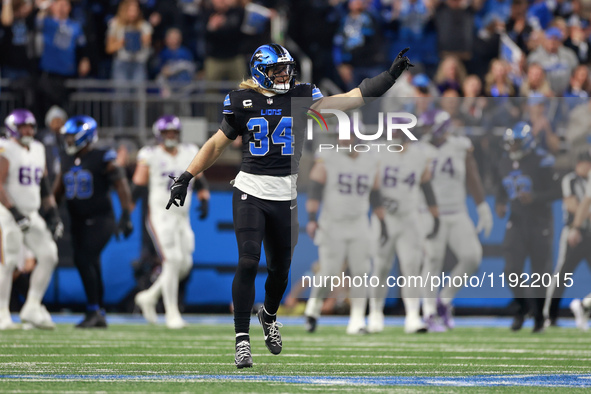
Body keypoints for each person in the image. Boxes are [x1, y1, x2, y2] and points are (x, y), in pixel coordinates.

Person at [166, 43, 413, 368]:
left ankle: (268, 315)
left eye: (287, 69)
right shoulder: (242, 101)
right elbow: (216, 144)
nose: (285, 75)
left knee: (280, 271)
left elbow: (351, 99)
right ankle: (242, 340)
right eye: (277, 70)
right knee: (248, 260)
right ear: (260, 71)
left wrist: (389, 77)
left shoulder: (301, 96)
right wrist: (187, 176)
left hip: (285, 195)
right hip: (250, 190)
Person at [53, 115, 134, 328]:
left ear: (84, 137)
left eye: (71, 137)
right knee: (91, 262)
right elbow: (58, 191)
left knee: (83, 259)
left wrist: (126, 214)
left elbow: (121, 184)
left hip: (101, 220)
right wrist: (50, 213)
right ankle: (98, 311)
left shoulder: (103, 156)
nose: (68, 141)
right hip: (77, 220)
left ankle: (94, 309)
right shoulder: (66, 158)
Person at [132, 115, 210, 329]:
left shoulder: (189, 151)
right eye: (167, 133)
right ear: (159, 135)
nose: (171, 136)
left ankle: (148, 296)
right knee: (172, 261)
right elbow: (137, 186)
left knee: (184, 264)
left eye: (174, 133)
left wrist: (204, 197)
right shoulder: (150, 154)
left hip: (182, 217)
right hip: (160, 215)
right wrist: (125, 215)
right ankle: (171, 313)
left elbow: (199, 176)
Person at [420, 108, 493, 330]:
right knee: (432, 260)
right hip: (430, 213)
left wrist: (482, 207)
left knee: (472, 257)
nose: (424, 130)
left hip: (457, 211)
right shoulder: (420, 148)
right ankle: (429, 312)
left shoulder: (460, 146)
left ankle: (445, 299)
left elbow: (472, 174)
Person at [303, 137, 385, 335]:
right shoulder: (328, 157)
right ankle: (313, 309)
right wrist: (312, 218)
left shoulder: (370, 159)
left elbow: (375, 194)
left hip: (359, 223)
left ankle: (357, 320)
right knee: (329, 273)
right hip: (333, 223)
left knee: (360, 273)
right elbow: (314, 189)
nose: (345, 141)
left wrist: (382, 222)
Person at [366, 121, 440, 334]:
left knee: (412, 268)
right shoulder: (378, 152)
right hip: (386, 217)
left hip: (409, 217)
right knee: (381, 266)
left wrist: (435, 217)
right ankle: (376, 314)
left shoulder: (419, 156)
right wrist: (379, 213)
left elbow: (426, 185)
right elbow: (373, 187)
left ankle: (412, 316)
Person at [0, 109, 63, 330]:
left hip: (32, 213)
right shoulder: (5, 148)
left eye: (30, 126)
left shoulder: (38, 148)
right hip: (7, 214)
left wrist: (53, 213)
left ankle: (32, 306)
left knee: (49, 255)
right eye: (22, 127)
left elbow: (44, 184)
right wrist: (14, 212)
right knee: (7, 263)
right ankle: (2, 313)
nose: (27, 130)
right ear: (12, 129)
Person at [496, 121, 561, 333]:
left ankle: (539, 318)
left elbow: (556, 191)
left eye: (516, 143)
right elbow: (501, 186)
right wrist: (500, 202)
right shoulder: (504, 161)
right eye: (511, 143)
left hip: (540, 221)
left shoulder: (542, 160)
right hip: (516, 220)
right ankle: (523, 307)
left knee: (539, 273)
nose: (512, 147)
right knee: (511, 269)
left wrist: (535, 198)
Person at [544, 149, 591, 326]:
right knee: (562, 275)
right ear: (580, 163)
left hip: (589, 234)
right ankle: (549, 314)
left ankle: (584, 307)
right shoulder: (570, 179)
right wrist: (585, 216)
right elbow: (571, 204)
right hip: (573, 233)